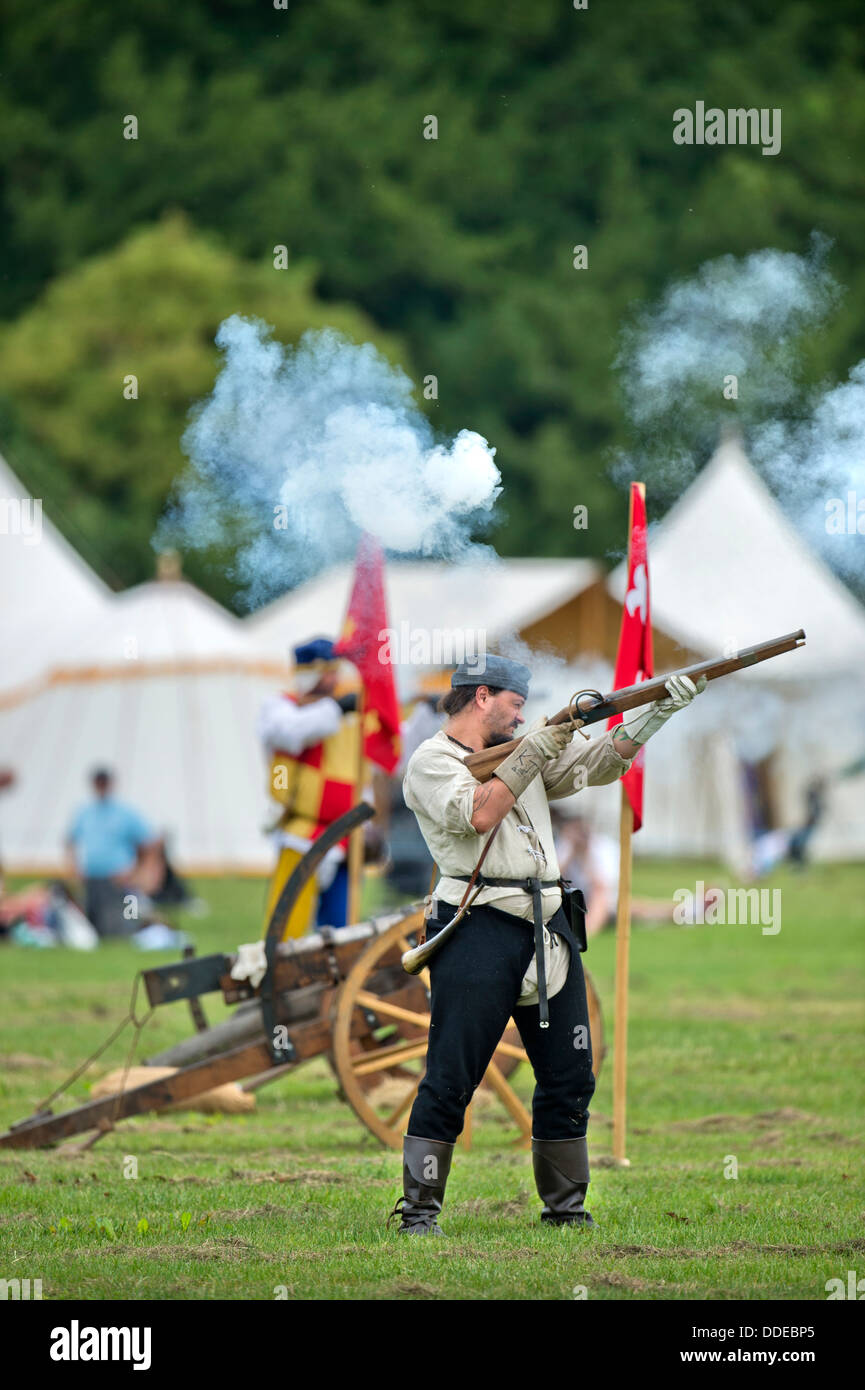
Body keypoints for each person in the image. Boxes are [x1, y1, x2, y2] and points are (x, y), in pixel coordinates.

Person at [390, 654, 706, 1234]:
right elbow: (481, 814)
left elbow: (598, 765)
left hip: (549, 925)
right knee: (452, 1075)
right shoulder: (431, 762)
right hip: (478, 925)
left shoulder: (520, 751)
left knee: (569, 1074)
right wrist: (534, 744)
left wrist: (657, 711)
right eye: (515, 704)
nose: (521, 716)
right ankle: (418, 1212)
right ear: (482, 696)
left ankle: (565, 1211)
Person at [258, 637, 360, 938]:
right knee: (286, 930)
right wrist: (337, 709)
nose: (333, 678)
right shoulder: (280, 707)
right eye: (325, 670)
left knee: (342, 934)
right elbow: (288, 733)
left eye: (334, 670)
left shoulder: (345, 713)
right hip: (300, 834)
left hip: (344, 836)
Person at [65, 769, 161, 938]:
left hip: (120, 879)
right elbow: (70, 841)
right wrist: (74, 868)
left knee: (126, 919)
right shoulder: (84, 812)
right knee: (95, 924)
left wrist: (138, 871)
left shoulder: (126, 812)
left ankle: (141, 933)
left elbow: (149, 844)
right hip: (92, 878)